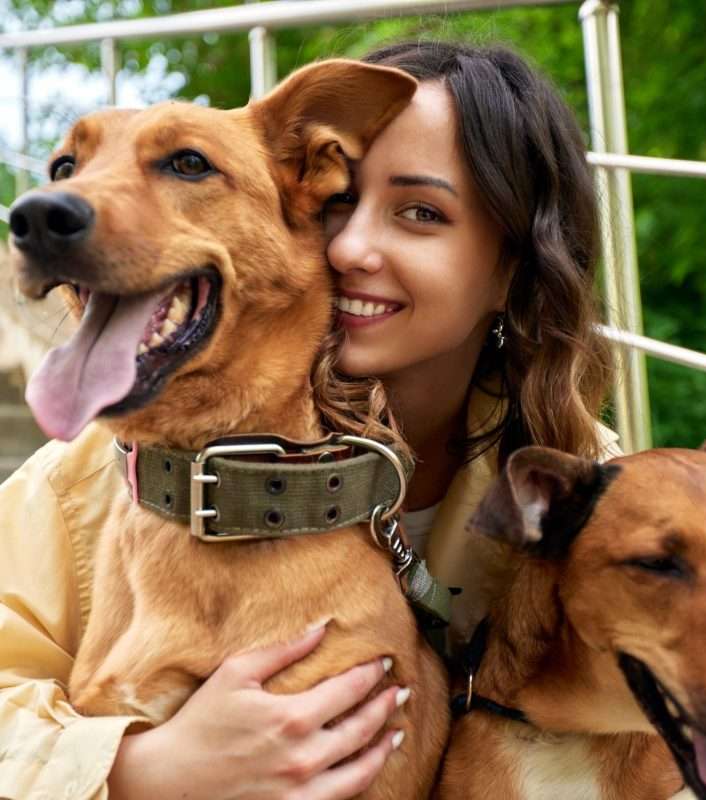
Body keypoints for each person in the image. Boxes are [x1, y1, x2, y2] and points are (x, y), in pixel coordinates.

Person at [0, 41, 617, 800]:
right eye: (336, 205)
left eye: (420, 213)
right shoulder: (85, 477)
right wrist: (139, 773)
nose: (349, 247)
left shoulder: (579, 491)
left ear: (512, 269)